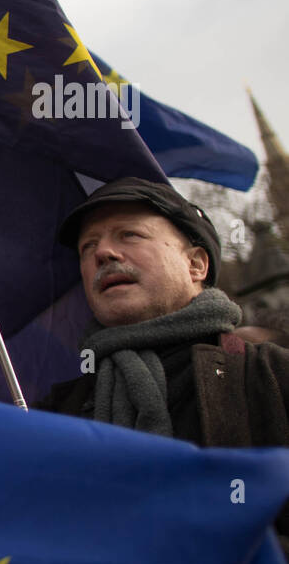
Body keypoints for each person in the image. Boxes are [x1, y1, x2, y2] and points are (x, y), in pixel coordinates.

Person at [37, 176, 289, 448]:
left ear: (195, 265)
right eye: (88, 246)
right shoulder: (52, 419)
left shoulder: (274, 374)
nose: (103, 253)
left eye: (129, 235)